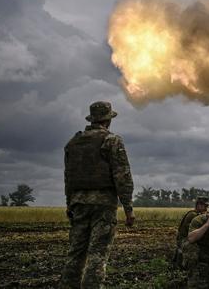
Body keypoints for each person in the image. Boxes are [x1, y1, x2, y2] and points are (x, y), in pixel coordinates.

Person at [60, 101, 135, 288]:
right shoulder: (112, 141)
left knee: (75, 253)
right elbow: (122, 176)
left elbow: (68, 177)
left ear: (92, 119)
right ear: (108, 120)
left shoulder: (73, 143)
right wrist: (128, 209)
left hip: (78, 203)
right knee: (97, 254)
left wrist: (70, 203)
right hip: (103, 204)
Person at [174, 195, 209, 269]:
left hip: (189, 237)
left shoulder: (198, 214)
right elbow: (192, 233)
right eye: (204, 206)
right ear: (198, 205)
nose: (206, 208)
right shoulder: (193, 215)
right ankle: (188, 267)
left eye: (207, 206)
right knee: (193, 249)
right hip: (184, 239)